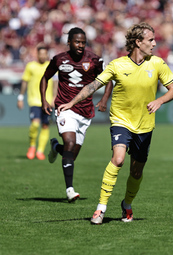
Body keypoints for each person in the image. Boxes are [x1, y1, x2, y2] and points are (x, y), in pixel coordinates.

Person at [57, 22, 173, 223]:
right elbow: (93, 85)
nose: (155, 44)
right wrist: (71, 102)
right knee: (119, 159)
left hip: (145, 125)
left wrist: (159, 100)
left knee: (136, 171)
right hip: (121, 121)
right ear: (138, 42)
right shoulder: (117, 65)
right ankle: (101, 208)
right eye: (150, 40)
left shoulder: (157, 64)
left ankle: (127, 204)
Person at [40, 27, 113, 202]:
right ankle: (70, 190)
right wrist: (44, 99)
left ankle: (56, 147)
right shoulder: (59, 59)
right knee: (70, 143)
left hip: (85, 112)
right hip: (65, 109)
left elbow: (108, 79)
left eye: (83, 42)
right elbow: (45, 78)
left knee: (70, 154)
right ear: (69, 42)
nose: (80, 45)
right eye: (77, 42)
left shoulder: (94, 60)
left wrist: (104, 100)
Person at [17, 45, 57, 160]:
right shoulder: (31, 66)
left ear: (47, 55)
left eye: (45, 54)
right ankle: (32, 146)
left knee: (45, 126)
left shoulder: (51, 66)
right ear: (37, 54)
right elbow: (25, 82)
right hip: (34, 100)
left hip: (48, 101)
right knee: (35, 124)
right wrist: (20, 97)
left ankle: (40, 151)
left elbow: (55, 82)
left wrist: (54, 97)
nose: (43, 56)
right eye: (41, 54)